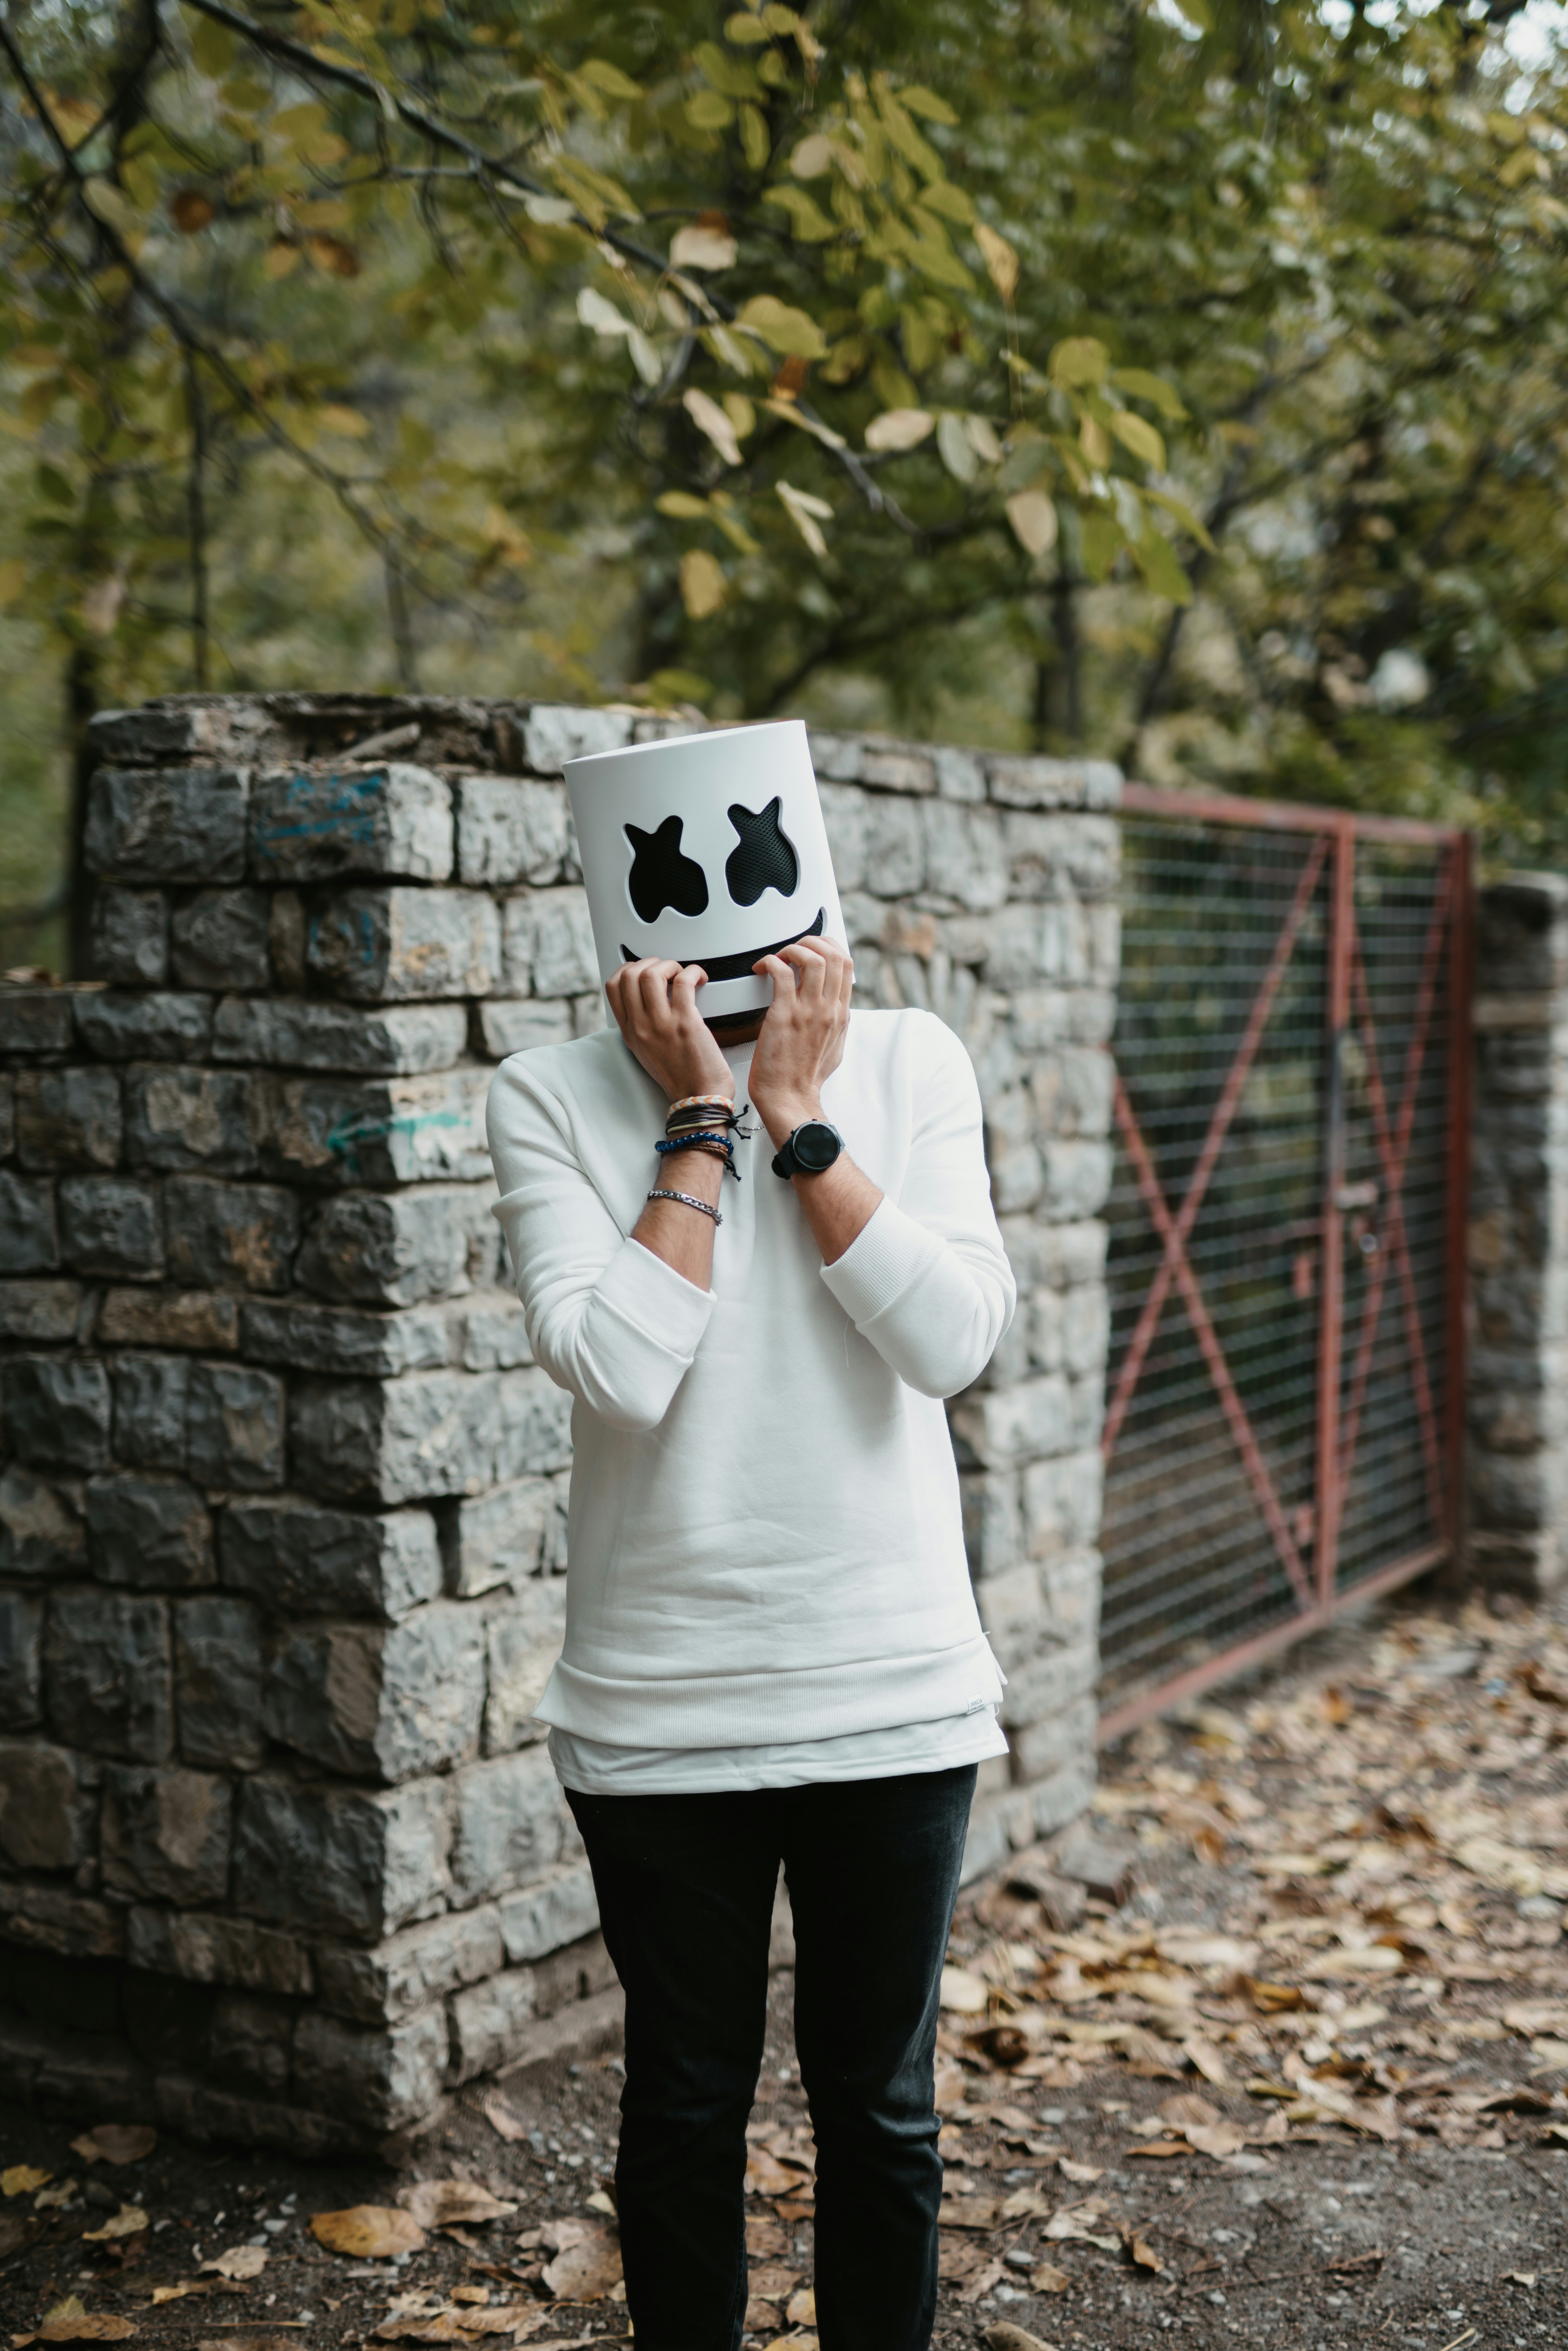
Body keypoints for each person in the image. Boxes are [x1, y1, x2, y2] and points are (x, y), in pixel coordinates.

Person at [486, 927, 1015, 2351]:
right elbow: (620, 1366)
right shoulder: (544, 1090)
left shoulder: (912, 1057)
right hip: (659, 1709)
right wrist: (703, 1123)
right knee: (681, 2106)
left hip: (892, 1691)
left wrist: (799, 1112)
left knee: (882, 2111)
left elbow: (955, 1340)